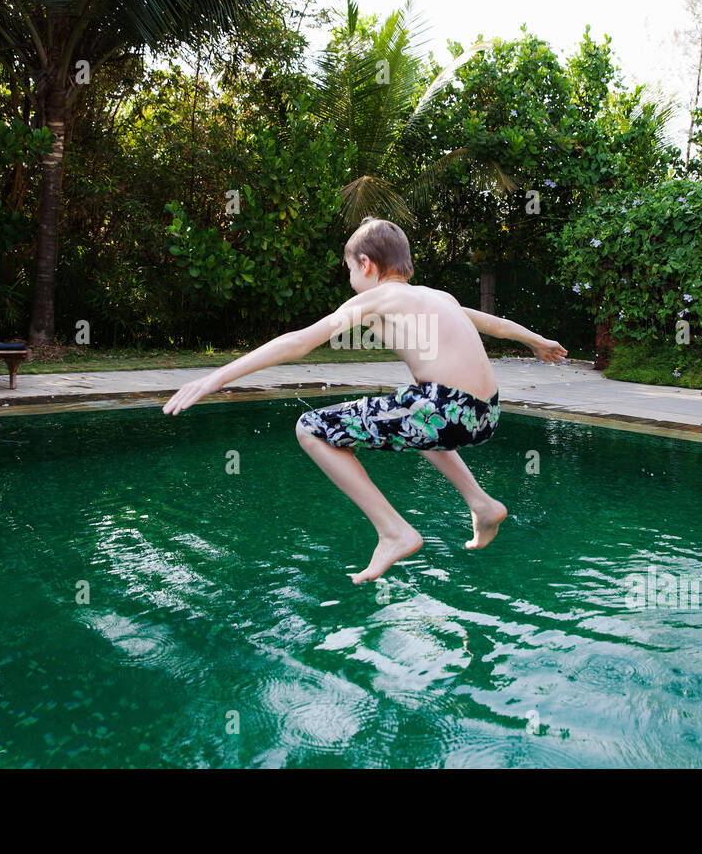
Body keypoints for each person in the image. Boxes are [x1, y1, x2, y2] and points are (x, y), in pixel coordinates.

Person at [163, 217, 568, 584]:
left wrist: (216, 377)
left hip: (443, 409)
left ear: (366, 264)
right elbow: (493, 325)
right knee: (410, 414)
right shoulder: (438, 296)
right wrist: (537, 341)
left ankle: (394, 531)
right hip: (485, 414)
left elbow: (298, 342)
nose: (350, 280)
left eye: (349, 270)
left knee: (311, 429)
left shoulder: (376, 299)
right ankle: (481, 504)